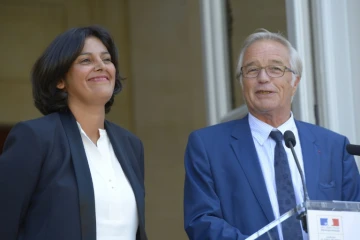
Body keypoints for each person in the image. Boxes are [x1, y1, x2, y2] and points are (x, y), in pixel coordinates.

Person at [183, 29, 360, 240]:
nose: (263, 78)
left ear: (295, 82)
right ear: (242, 82)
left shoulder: (334, 146)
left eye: (275, 69)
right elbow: (202, 222)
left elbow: (354, 218)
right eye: (252, 70)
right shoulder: (208, 146)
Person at [0, 25, 147, 240]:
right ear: (60, 80)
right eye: (86, 60)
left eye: (106, 59)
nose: (101, 66)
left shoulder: (130, 145)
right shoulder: (35, 137)